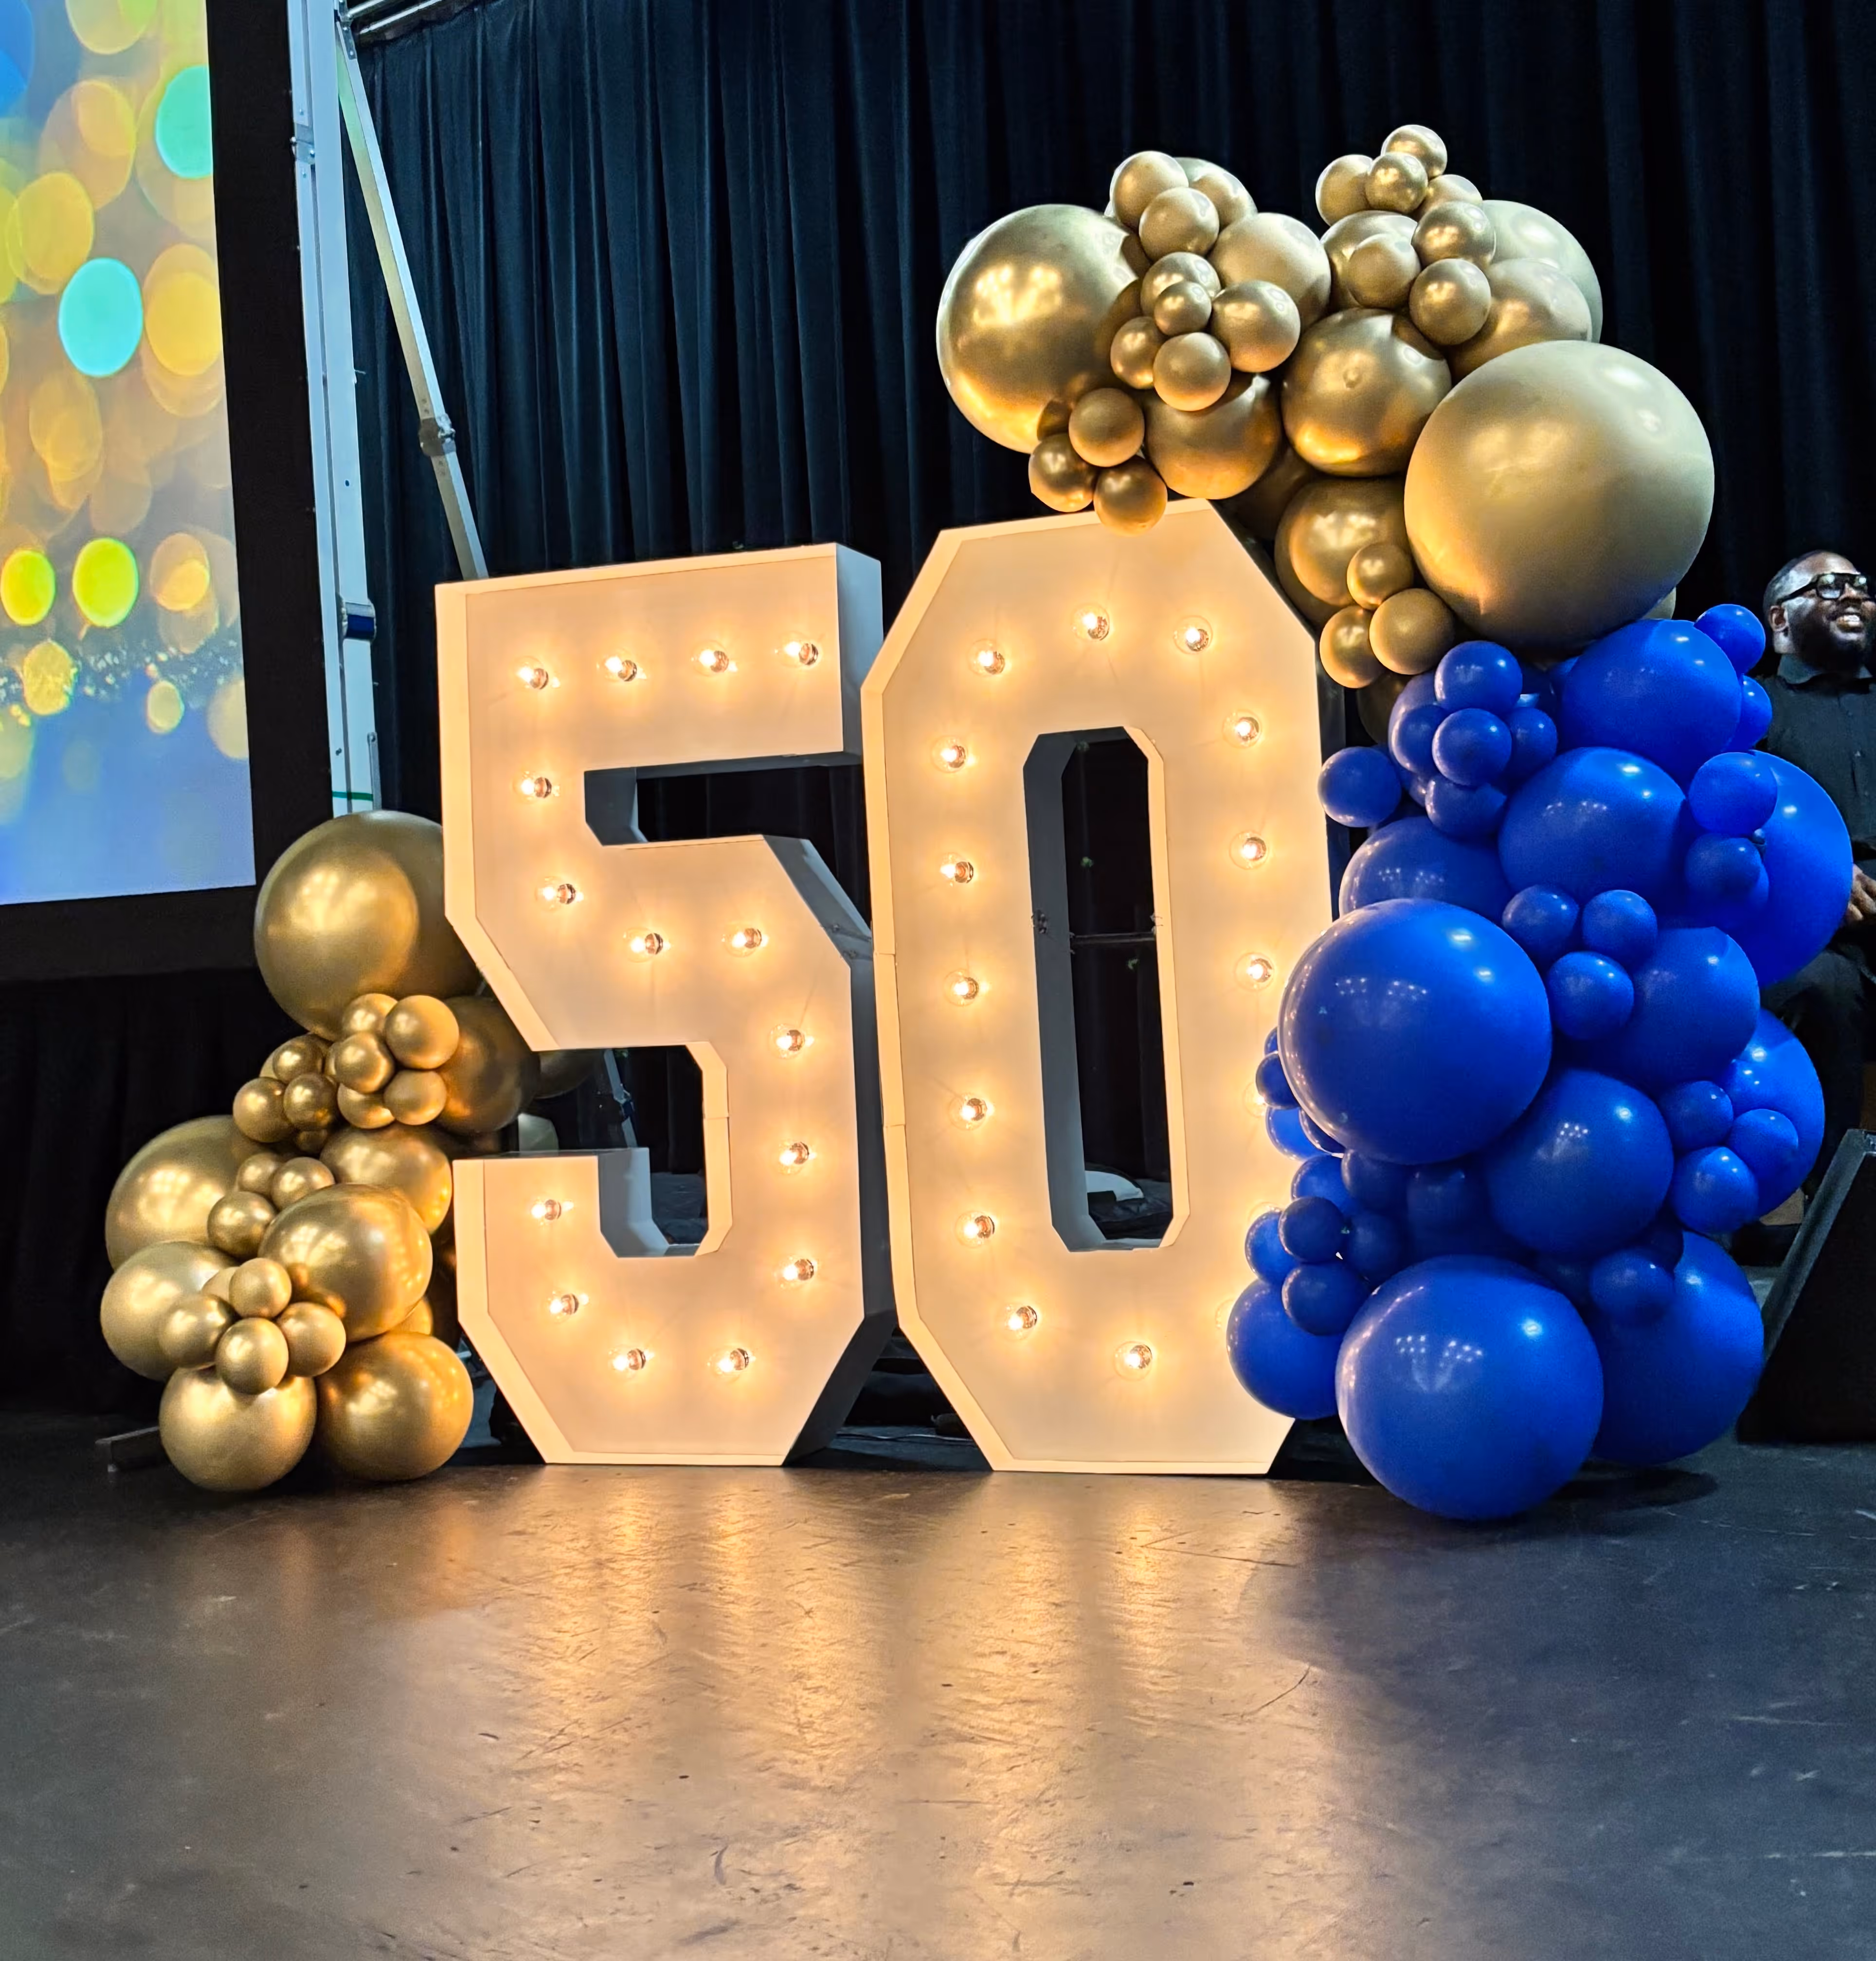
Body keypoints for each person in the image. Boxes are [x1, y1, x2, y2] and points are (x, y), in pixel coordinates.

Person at [1757, 549, 1876, 1193]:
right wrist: (1824, 879)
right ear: (1780, 620)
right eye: (1828, 586)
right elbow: (1729, 822)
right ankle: (1839, 1212)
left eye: (1861, 586)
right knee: (1824, 988)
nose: (1852, 595)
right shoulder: (1754, 712)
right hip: (1806, 936)